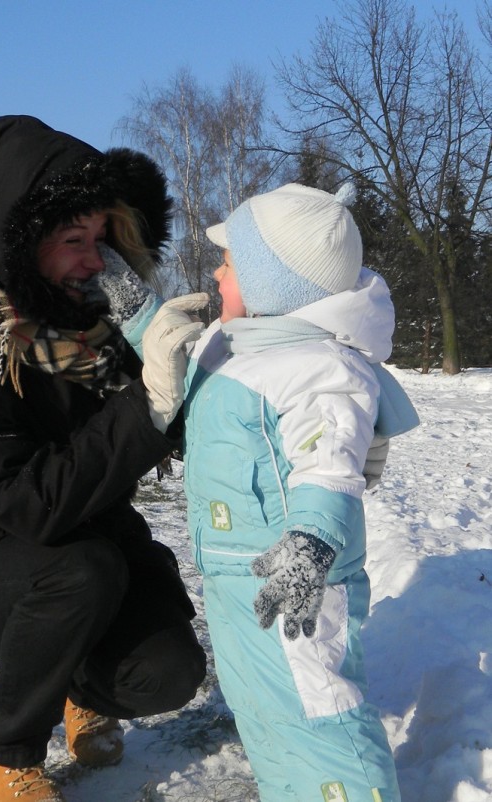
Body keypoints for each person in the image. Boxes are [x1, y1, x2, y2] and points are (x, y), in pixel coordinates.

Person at [0, 114, 208, 802]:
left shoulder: (100, 340)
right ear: (18, 241)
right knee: (81, 570)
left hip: (83, 550)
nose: (96, 260)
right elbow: (30, 504)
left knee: (168, 671)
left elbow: (186, 425)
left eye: (101, 238)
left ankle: (74, 684)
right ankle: (2, 753)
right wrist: (148, 404)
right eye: (74, 240)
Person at [182, 182, 419, 802]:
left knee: (321, 716)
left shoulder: (318, 366)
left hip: (298, 578)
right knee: (266, 713)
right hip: (242, 579)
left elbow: (330, 465)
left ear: (273, 282)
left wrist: (310, 544)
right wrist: (136, 318)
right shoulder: (246, 350)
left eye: (229, 262)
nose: (215, 271)